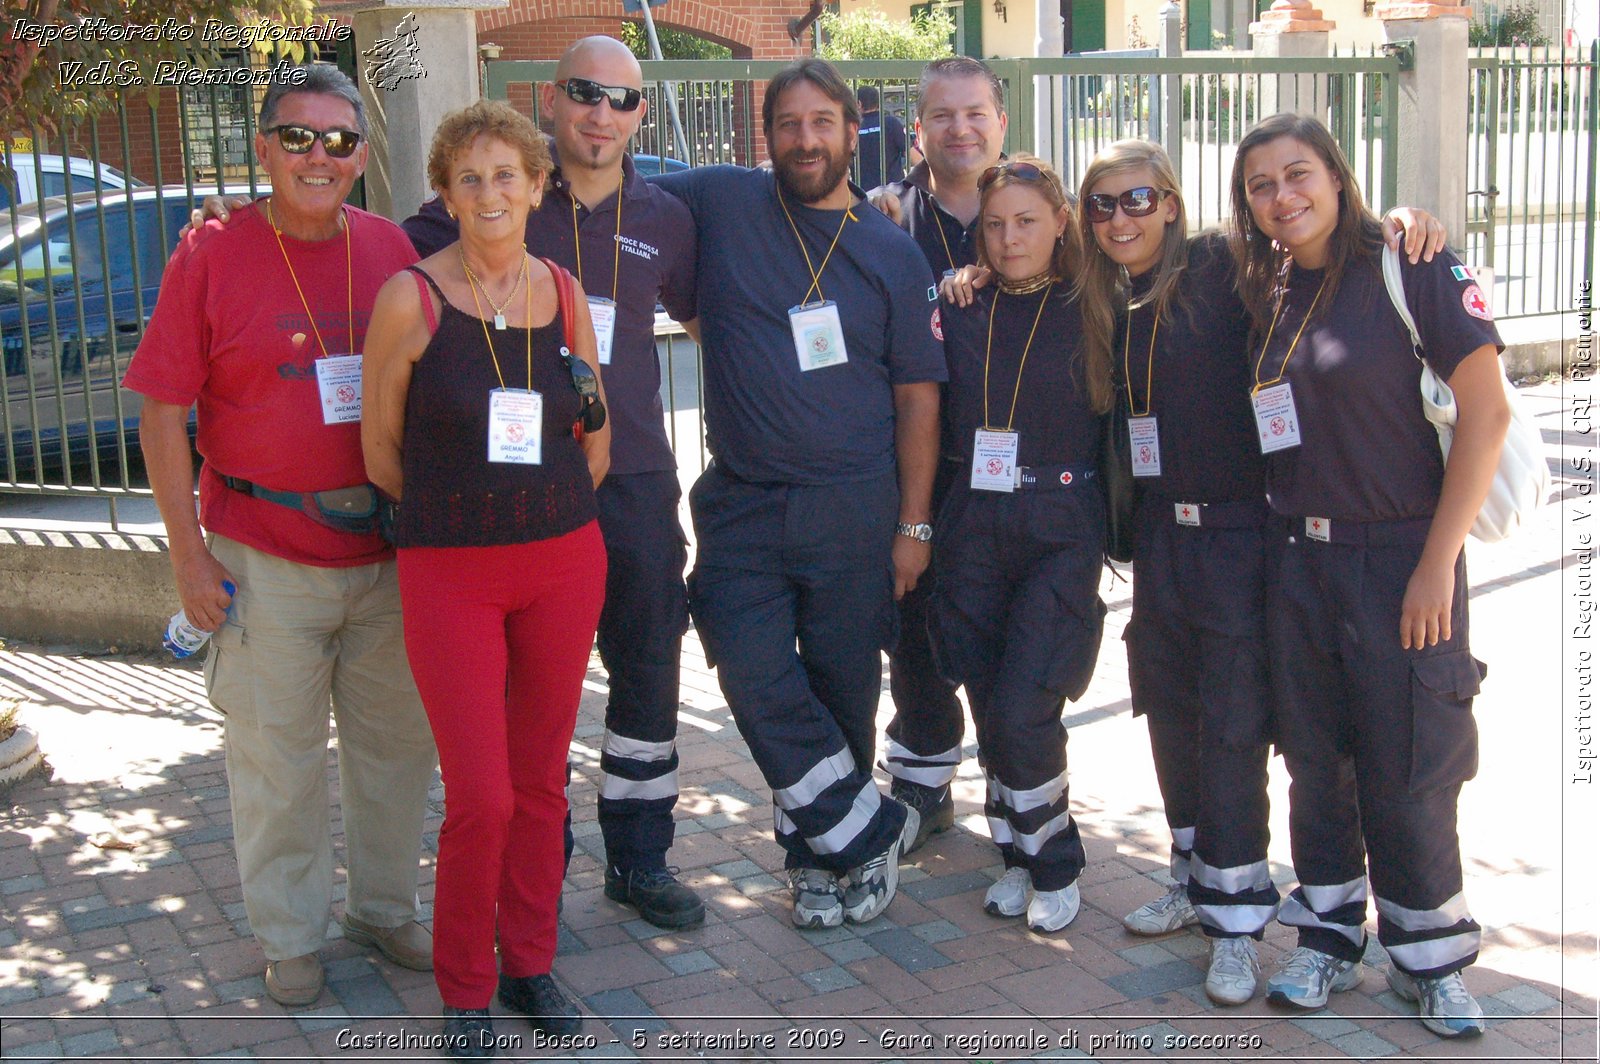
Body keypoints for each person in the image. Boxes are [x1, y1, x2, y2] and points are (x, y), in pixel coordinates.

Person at [1073, 138, 1451, 1006]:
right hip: (1166, 538)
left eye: (1137, 198)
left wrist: (1403, 223)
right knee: (1170, 711)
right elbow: (1006, 254)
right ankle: (1196, 872)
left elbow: (1319, 239)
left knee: (1238, 725)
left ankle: (1238, 924)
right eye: (1102, 205)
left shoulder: (1228, 264)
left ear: (1172, 201)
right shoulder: (1102, 293)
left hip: (1247, 538)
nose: (1120, 217)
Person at [123, 65, 438, 1007]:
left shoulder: (392, 249)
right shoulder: (211, 254)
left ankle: (383, 908)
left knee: (395, 751)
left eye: (340, 140)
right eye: (297, 137)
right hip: (262, 558)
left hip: (386, 556)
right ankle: (290, 933)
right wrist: (186, 553)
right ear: (262, 147)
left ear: (363, 156)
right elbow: (161, 409)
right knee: (275, 758)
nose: (319, 157)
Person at [403, 35, 704, 931]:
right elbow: (380, 249)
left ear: (641, 113)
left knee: (648, 671)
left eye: (621, 99)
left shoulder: (671, 215)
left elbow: (701, 307)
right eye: (583, 93)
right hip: (520, 498)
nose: (601, 114)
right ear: (551, 102)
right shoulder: (500, 196)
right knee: (523, 695)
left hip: (636, 475)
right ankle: (537, 865)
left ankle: (639, 858)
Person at [651, 58, 945, 929]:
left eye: (823, 122)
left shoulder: (891, 249)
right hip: (741, 499)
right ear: (765, 133)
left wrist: (914, 524)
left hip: (853, 501)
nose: (806, 139)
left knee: (842, 683)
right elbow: (610, 175)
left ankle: (820, 861)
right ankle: (870, 824)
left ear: (853, 131)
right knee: (746, 662)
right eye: (788, 124)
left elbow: (918, 397)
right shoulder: (725, 199)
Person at [1230, 113, 1507, 1038]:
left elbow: (1489, 414)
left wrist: (1438, 562)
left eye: (1299, 174)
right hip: (1296, 560)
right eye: (1261, 185)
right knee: (1316, 758)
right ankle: (1328, 936)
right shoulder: (1266, 287)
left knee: (1411, 764)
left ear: (1339, 178)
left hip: (1400, 559)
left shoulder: (1410, 264)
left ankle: (1431, 958)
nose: (1283, 197)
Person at [362, 100, 611, 1057]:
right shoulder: (410, 299)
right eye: (471, 177)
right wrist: (462, 509)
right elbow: (382, 451)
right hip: (450, 571)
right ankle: (465, 987)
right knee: (482, 795)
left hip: (561, 561)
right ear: (446, 194)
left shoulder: (567, 292)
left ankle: (528, 964)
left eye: (508, 174)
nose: (490, 192)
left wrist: (548, 508)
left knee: (542, 782)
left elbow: (592, 432)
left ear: (539, 187)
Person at [930, 156, 1107, 934]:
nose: (1009, 239)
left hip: (1059, 527)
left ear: (1061, 221)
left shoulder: (1098, 302)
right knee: (987, 703)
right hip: (973, 521)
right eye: (995, 225)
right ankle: (1017, 852)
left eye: (1027, 221)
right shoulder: (962, 305)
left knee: (1027, 704)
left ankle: (1055, 861)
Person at [869, 56, 1011, 852]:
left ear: (1000, 121)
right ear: (916, 131)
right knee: (914, 631)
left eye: (975, 113)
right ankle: (923, 784)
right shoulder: (885, 220)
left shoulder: (1038, 213)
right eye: (942, 116)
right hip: (915, 467)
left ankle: (1019, 788)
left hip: (1015, 470)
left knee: (1006, 636)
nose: (960, 129)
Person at [854, 84, 906, 190]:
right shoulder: (891, 123)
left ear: (859, 104)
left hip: (863, 195)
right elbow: (911, 154)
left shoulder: (852, 128)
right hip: (893, 193)